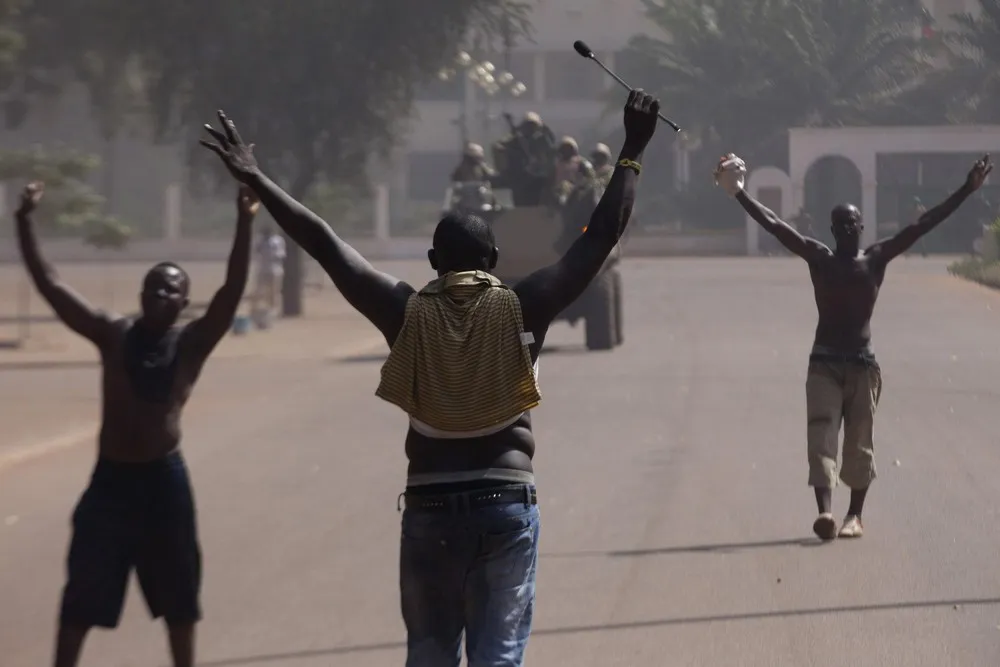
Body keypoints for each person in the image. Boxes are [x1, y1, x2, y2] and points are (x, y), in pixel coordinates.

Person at [198, 89, 660, 666]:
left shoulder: (403, 312)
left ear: (433, 263)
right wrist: (633, 148)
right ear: (494, 262)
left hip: (429, 509)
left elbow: (325, 244)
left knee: (430, 657)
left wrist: (256, 178)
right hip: (505, 502)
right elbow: (601, 236)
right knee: (498, 657)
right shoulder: (526, 306)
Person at [15, 181, 259, 667]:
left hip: (163, 482)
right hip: (110, 481)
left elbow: (231, 291)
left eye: (172, 289)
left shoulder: (191, 344)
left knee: (179, 594)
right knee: (83, 590)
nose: (161, 293)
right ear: (141, 293)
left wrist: (245, 220)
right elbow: (52, 286)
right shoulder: (113, 333)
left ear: (184, 302)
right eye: (154, 285)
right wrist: (23, 221)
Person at [714, 152, 992, 541]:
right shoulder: (819, 258)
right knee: (821, 437)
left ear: (861, 226)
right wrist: (739, 193)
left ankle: (854, 516)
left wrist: (967, 189)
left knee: (860, 444)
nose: (847, 227)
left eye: (852, 222)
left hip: (863, 366)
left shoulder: (875, 259)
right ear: (832, 229)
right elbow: (775, 225)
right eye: (841, 223)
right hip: (824, 364)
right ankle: (826, 513)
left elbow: (924, 224)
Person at [252, 224, 286, 320]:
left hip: (275, 269)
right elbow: (256, 251)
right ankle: (255, 310)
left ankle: (273, 310)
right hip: (262, 268)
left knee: (274, 291)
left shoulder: (277, 240)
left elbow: (281, 254)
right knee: (258, 290)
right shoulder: (259, 240)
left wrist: (271, 254)